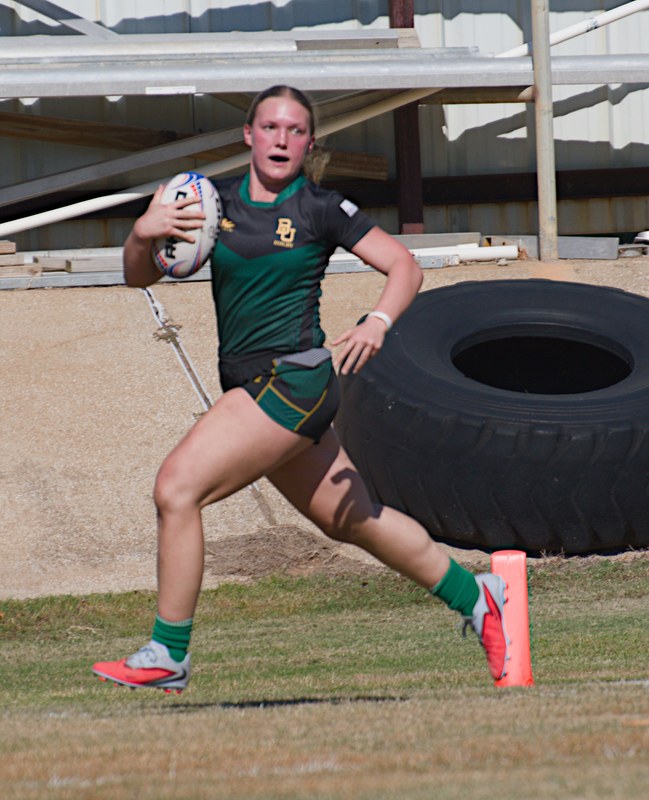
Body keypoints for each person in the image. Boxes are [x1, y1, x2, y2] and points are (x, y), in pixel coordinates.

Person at [92, 85, 509, 692]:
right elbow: (139, 277)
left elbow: (404, 267)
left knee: (176, 489)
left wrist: (378, 320)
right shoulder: (214, 203)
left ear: (309, 142)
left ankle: (169, 652)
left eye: (294, 131)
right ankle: (479, 596)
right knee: (354, 521)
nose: (281, 140)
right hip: (252, 383)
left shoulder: (320, 207)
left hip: (293, 379)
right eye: (269, 128)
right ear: (249, 136)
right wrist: (142, 232)